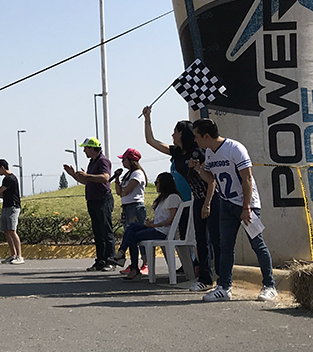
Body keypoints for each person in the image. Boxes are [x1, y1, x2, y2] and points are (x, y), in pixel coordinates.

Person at [191, 118, 277, 302]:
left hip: (246, 204)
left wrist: (246, 207)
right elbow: (211, 179)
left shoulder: (235, 148)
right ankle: (224, 287)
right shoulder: (209, 153)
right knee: (225, 247)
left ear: (206, 136)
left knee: (257, 244)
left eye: (197, 136)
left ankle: (269, 286)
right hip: (225, 204)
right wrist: (199, 169)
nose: (195, 140)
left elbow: (247, 179)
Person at [143, 107, 221, 292]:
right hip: (196, 199)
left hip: (211, 197)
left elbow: (212, 181)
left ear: (182, 133)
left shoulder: (199, 152)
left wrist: (208, 203)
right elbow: (150, 141)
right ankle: (205, 279)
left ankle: (222, 278)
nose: (172, 134)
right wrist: (148, 118)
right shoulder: (177, 153)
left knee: (215, 240)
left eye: (175, 131)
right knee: (200, 240)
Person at [112, 173, 183, 280]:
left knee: (133, 236)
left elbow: (171, 219)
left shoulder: (173, 197)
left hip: (164, 231)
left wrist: (155, 224)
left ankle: (132, 267)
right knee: (131, 227)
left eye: (157, 183)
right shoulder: (162, 199)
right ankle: (122, 255)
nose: (155, 185)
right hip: (157, 227)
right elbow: (161, 217)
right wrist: (151, 223)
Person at [64, 137, 116, 271]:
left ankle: (110, 260)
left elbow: (105, 177)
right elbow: (88, 181)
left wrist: (87, 175)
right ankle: (100, 261)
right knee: (97, 232)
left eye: (86, 148)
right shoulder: (92, 162)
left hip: (103, 200)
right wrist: (74, 175)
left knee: (106, 231)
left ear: (93, 148)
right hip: (93, 200)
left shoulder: (103, 160)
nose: (84, 150)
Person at [112, 148, 148, 275]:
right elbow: (119, 192)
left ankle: (145, 263)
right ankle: (133, 264)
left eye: (124, 159)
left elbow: (126, 191)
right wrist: (116, 179)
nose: (122, 162)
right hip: (127, 207)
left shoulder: (137, 173)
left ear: (131, 160)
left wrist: (122, 191)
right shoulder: (128, 174)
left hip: (135, 207)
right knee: (129, 235)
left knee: (136, 235)